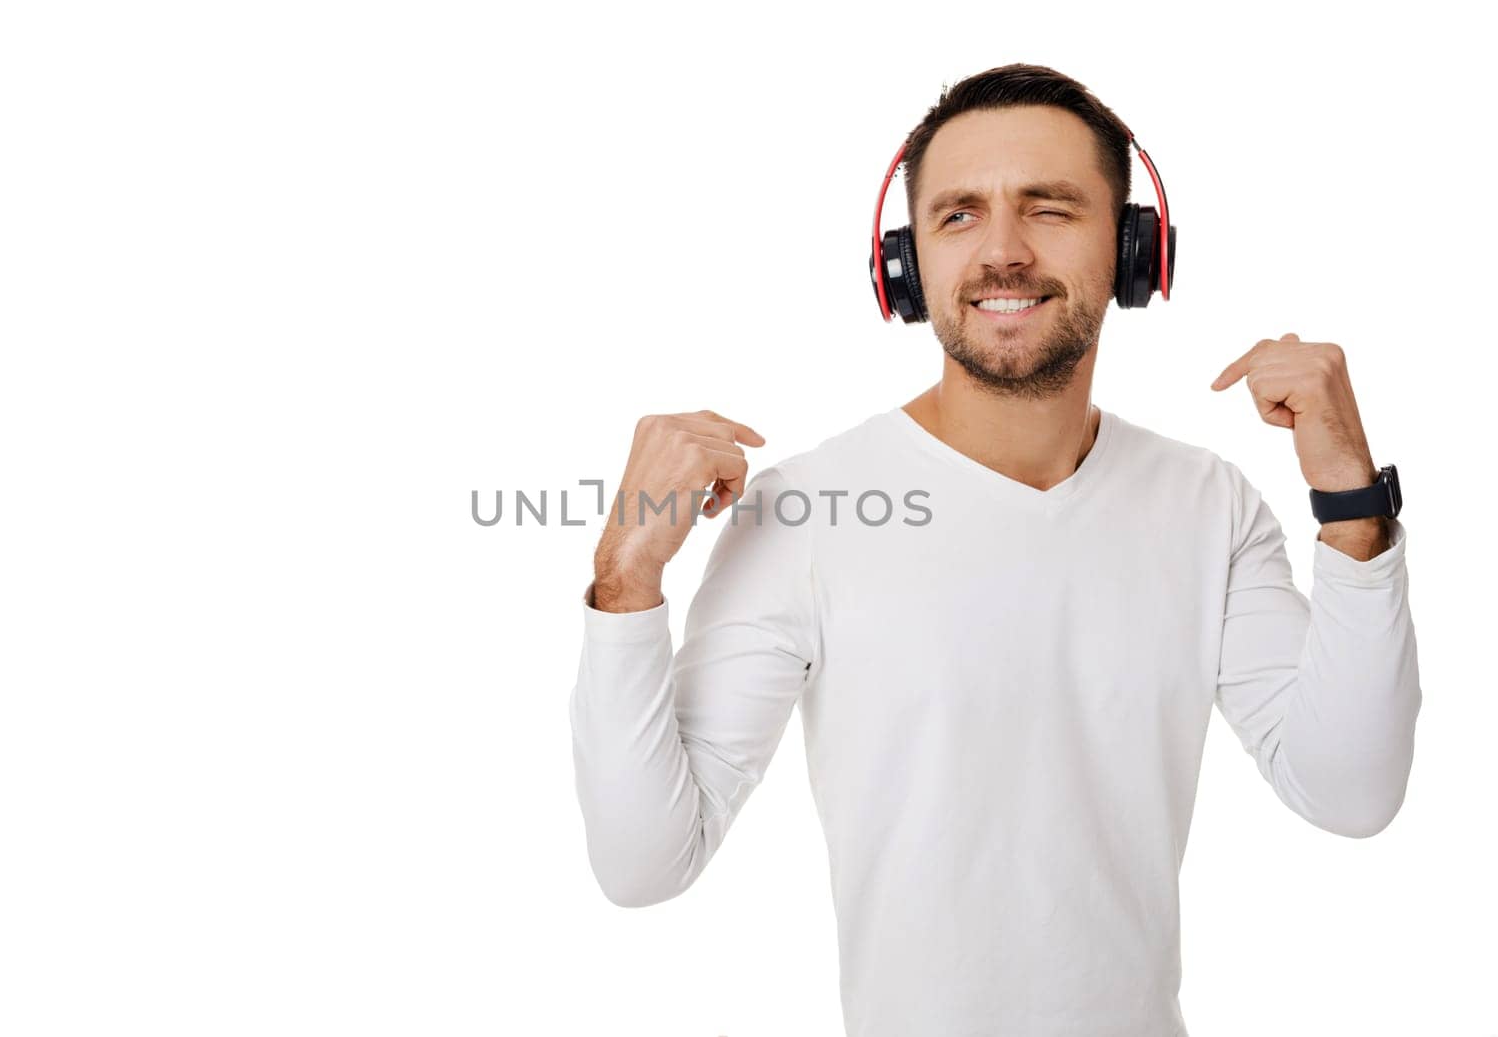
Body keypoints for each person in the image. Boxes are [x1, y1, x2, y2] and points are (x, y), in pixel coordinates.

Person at [566, 63, 1419, 1037]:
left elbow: (1351, 790)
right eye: (959, 215)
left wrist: (1351, 503)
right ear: (905, 266)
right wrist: (626, 578)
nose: (1002, 252)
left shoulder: (1206, 503)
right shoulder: (807, 508)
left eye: (1049, 208)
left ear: (1136, 252)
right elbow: (643, 864)